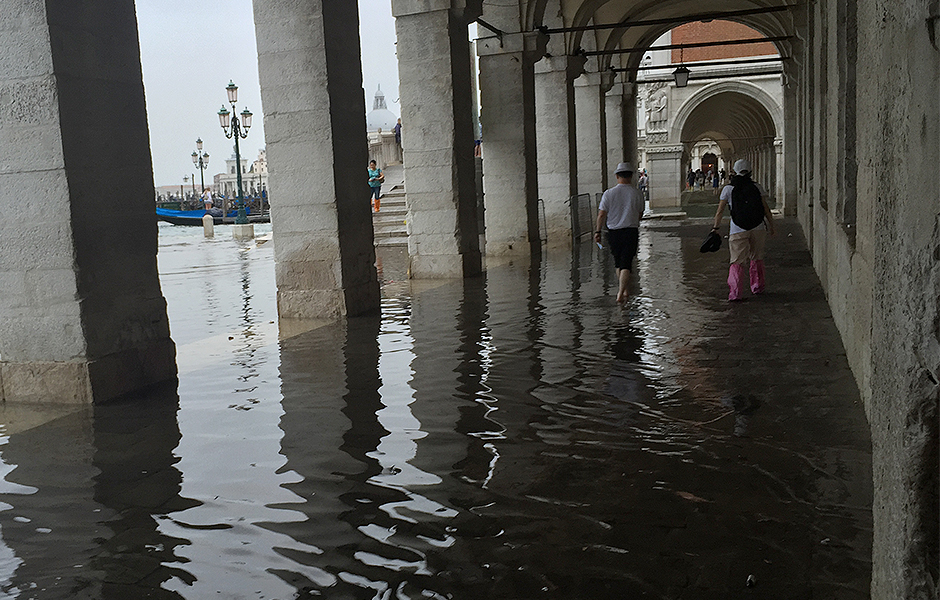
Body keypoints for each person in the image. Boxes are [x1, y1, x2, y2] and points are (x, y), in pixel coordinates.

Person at [712, 158, 776, 301]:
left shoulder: (728, 189)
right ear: (750, 171)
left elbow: (720, 211)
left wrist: (715, 228)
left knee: (737, 261)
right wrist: (772, 226)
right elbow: (766, 209)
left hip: (737, 228)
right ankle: (757, 286)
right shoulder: (757, 187)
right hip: (758, 227)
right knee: (757, 257)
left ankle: (735, 293)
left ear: (734, 171)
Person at [594, 162, 645, 304]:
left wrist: (598, 231)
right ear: (631, 176)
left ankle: (623, 290)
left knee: (618, 262)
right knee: (626, 263)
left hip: (613, 233)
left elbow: (601, 214)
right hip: (630, 231)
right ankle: (621, 293)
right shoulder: (637, 193)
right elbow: (640, 213)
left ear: (617, 176)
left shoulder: (609, 193)